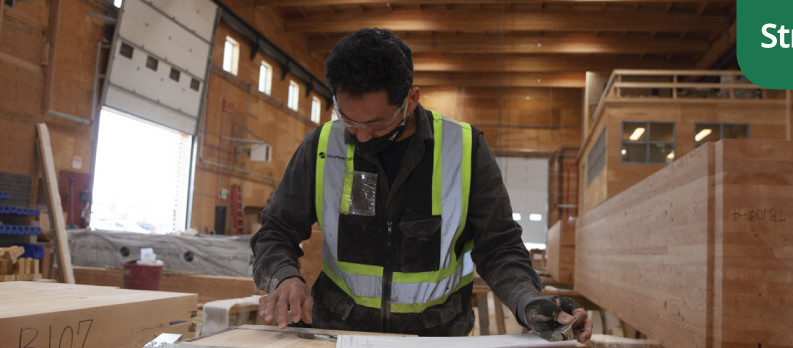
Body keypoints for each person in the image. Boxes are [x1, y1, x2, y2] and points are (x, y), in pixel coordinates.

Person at [250, 28, 591, 340]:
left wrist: (528, 302)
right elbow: (275, 231)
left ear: (410, 100)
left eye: (377, 123)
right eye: (348, 119)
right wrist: (284, 276)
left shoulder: (465, 150)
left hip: (436, 339)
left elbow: (499, 247)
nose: (362, 135)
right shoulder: (323, 147)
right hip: (340, 334)